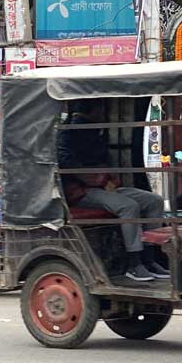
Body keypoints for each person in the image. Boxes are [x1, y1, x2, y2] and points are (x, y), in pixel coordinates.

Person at [56, 101, 167, 282]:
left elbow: (102, 160)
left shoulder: (94, 131)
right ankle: (134, 263)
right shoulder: (68, 132)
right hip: (81, 191)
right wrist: (94, 178)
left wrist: (108, 175)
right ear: (94, 111)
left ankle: (150, 257)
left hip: (103, 186)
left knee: (154, 200)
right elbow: (66, 163)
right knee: (128, 206)